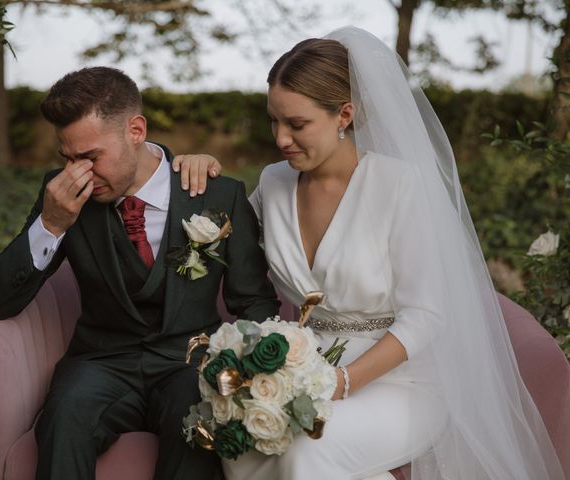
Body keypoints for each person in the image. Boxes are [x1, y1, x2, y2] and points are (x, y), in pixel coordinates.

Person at [174, 27, 565, 480]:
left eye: (297, 124)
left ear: (344, 115)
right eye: (273, 121)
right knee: (242, 439)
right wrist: (205, 175)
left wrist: (342, 382)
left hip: (404, 383)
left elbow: (427, 316)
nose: (281, 138)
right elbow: (228, 239)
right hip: (303, 372)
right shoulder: (274, 184)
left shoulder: (402, 186)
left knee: (306, 449)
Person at [0, 66, 280, 480]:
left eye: (89, 157)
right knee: (64, 418)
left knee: (200, 418)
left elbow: (252, 299)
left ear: (135, 130)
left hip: (188, 363)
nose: (77, 172)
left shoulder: (217, 194)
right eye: (67, 158)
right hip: (100, 362)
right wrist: (50, 224)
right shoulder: (60, 195)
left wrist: (251, 370)